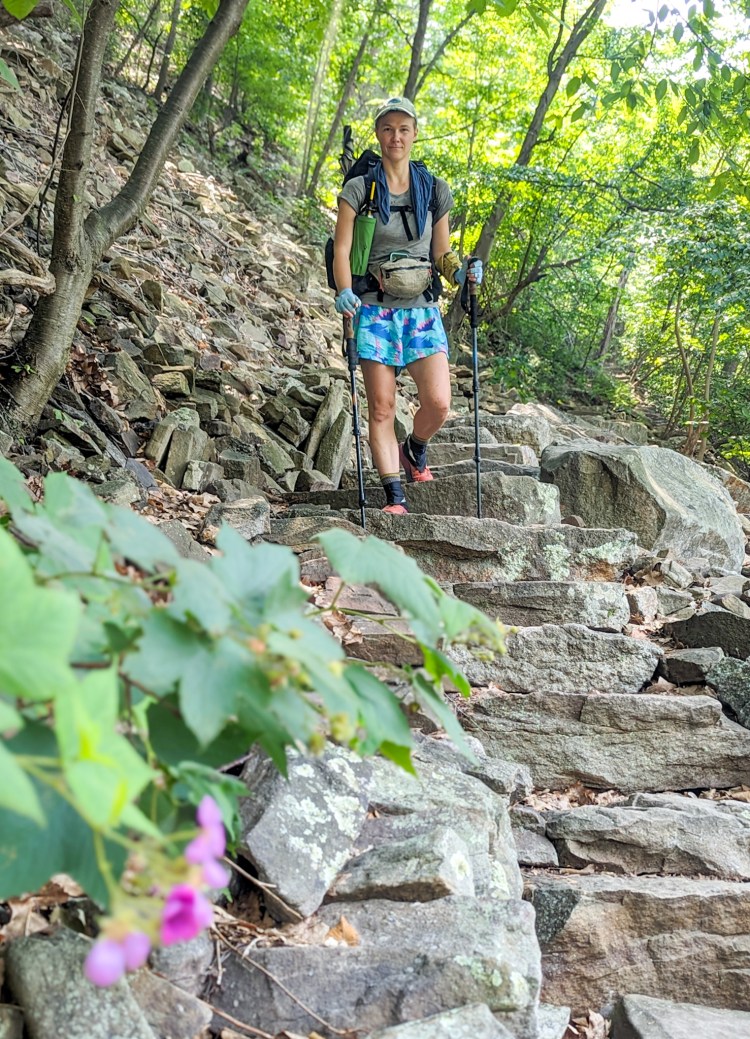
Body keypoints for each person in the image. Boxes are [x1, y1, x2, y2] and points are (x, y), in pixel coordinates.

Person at [332, 96, 482, 515]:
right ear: (378, 134)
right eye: (387, 129)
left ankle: (414, 448)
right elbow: (342, 250)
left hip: (421, 311)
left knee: (439, 403)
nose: (395, 137)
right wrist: (344, 290)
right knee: (382, 407)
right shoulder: (359, 190)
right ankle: (394, 496)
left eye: (403, 129)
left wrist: (461, 273)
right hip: (373, 309)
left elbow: (442, 253)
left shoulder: (434, 190)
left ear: (415, 133)